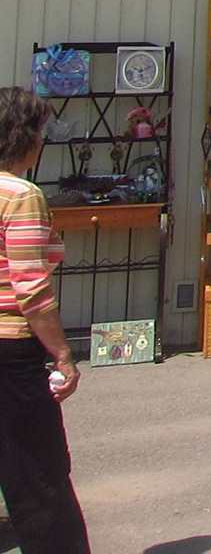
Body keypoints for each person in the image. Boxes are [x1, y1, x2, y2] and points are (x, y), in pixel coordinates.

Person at [0, 87, 90, 552]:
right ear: (25, 138)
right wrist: (63, 355)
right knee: (39, 475)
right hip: (11, 349)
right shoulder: (20, 196)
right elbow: (30, 289)